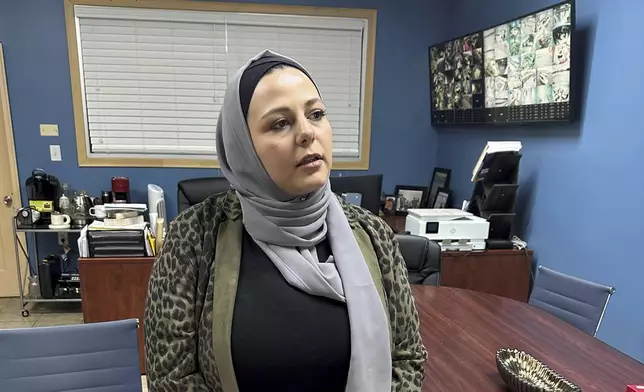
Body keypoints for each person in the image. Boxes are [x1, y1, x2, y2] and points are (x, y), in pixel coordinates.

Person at [144, 49, 427, 392]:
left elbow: (407, 357)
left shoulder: (373, 234)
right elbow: (171, 378)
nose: (308, 133)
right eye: (280, 123)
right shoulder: (192, 238)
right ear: (242, 146)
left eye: (316, 114)